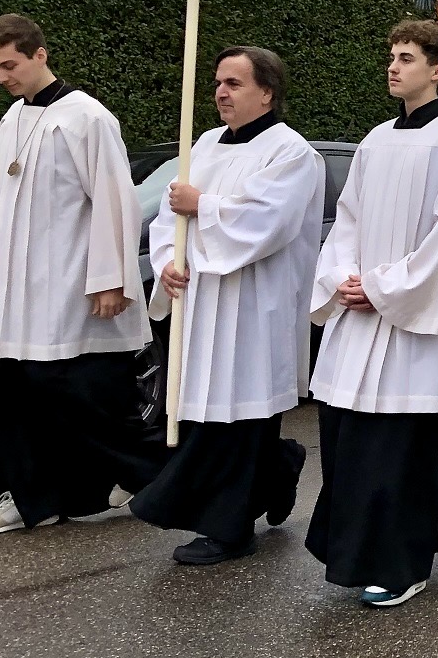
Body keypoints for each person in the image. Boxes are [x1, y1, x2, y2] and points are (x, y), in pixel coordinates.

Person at [0, 14, 165, 537]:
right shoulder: (14, 117)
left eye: (9, 65)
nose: (0, 78)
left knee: (84, 406)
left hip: (61, 292)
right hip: (10, 297)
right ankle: (21, 497)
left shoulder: (87, 118)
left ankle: (180, 479)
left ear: (39, 54)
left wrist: (111, 278)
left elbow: (115, 202)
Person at [306, 21, 438, 607]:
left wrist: (384, 288)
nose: (393, 65)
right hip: (363, 314)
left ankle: (406, 562)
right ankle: (365, 548)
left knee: (403, 449)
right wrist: (343, 280)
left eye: (406, 57)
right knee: (352, 442)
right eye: (391, 56)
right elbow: (348, 219)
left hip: (416, 324)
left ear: (437, 71)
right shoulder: (376, 139)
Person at [133, 47, 325, 565]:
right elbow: (168, 216)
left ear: (266, 91)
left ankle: (228, 526)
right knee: (210, 413)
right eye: (218, 82)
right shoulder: (205, 146)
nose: (220, 92)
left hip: (254, 304)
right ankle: (278, 467)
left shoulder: (291, 153)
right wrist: (171, 258)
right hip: (201, 301)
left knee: (240, 419)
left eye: (234, 83)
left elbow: (269, 224)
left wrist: (205, 208)